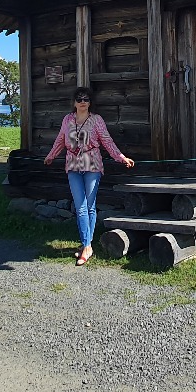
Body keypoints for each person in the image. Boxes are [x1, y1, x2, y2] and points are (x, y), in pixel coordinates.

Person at [43, 86, 134, 266]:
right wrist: (51, 155)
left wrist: (120, 157)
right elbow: (61, 139)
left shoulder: (96, 120)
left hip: (92, 165)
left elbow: (107, 141)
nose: (82, 102)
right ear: (74, 102)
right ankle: (88, 245)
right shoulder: (68, 120)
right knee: (81, 206)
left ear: (90, 102)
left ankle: (86, 246)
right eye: (79, 99)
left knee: (89, 207)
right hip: (73, 165)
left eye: (86, 99)